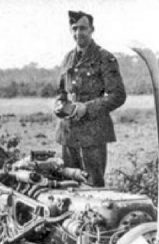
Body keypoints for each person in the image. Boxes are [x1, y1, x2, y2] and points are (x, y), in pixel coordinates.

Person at [53, 10, 126, 187]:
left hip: (93, 134)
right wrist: (59, 104)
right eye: (75, 28)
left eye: (83, 28)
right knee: (69, 185)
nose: (79, 33)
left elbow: (118, 95)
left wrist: (88, 107)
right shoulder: (68, 58)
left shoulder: (104, 57)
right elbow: (62, 91)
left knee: (94, 186)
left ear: (92, 30)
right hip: (68, 133)